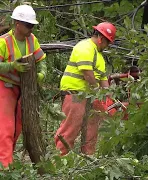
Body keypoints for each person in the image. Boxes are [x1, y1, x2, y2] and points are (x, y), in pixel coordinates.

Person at [54, 22, 117, 156]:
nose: (107, 46)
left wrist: (108, 96)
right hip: (76, 94)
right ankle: (59, 160)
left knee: (91, 130)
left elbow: (103, 78)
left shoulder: (99, 56)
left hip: (90, 97)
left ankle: (88, 158)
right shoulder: (85, 47)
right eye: (108, 43)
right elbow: (87, 73)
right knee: (69, 130)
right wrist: (97, 91)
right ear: (101, 38)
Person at [0, 5, 46, 168]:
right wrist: (12, 65)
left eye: (32, 25)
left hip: (23, 89)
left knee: (17, 128)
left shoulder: (32, 40)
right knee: (5, 128)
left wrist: (41, 74)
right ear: (17, 23)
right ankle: (5, 167)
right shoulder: (4, 41)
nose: (30, 28)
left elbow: (42, 61)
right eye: (28, 25)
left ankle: (6, 162)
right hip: (4, 86)